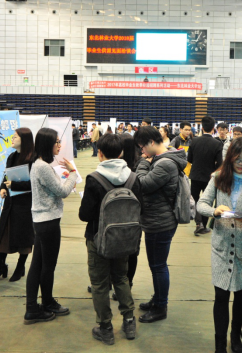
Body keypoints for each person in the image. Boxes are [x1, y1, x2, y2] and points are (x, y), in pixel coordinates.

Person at [197, 138, 242, 353]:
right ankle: (219, 342)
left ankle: (236, 335)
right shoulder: (218, 177)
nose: (241, 163)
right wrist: (215, 211)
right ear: (230, 158)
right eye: (237, 159)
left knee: (241, 294)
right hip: (222, 245)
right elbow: (201, 204)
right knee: (221, 295)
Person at [79, 134, 143, 345]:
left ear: (100, 153)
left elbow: (84, 215)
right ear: (121, 153)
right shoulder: (133, 178)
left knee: (99, 283)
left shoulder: (94, 179)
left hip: (98, 239)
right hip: (124, 239)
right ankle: (129, 321)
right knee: (121, 278)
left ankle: (105, 327)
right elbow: (140, 209)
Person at [133, 126, 187, 323]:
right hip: (159, 218)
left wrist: (142, 164)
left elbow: (142, 184)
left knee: (158, 266)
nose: (142, 151)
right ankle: (157, 299)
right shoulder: (164, 158)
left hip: (160, 222)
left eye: (142, 147)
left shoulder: (165, 164)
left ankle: (161, 306)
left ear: (152, 143)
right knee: (156, 265)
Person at [24, 128, 78, 324]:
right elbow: (62, 191)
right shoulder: (43, 167)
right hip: (48, 222)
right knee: (47, 266)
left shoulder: (39, 164)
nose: (59, 145)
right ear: (47, 143)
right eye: (56, 142)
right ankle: (44, 303)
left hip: (43, 221)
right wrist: (73, 173)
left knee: (38, 265)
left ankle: (35, 306)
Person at [0, 128, 36, 282]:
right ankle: (0, 267)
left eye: (15, 137)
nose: (12, 139)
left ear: (24, 140)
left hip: (25, 205)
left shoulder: (33, 159)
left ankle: (20, 267)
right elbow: (6, 176)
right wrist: (3, 187)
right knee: (3, 236)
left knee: (24, 238)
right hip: (10, 203)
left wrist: (14, 185)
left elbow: (34, 184)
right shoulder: (11, 156)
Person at [188, 116, 224, 236]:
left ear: (202, 128)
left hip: (195, 175)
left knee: (195, 199)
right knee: (207, 200)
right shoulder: (217, 143)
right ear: (214, 128)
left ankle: (198, 223)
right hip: (209, 177)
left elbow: (189, 159)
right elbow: (220, 163)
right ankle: (204, 224)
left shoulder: (194, 141)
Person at [119, 133, 142, 291]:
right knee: (132, 251)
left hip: (118, 214)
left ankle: (114, 282)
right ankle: (127, 283)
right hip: (134, 216)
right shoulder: (140, 163)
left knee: (114, 249)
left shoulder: (135, 166)